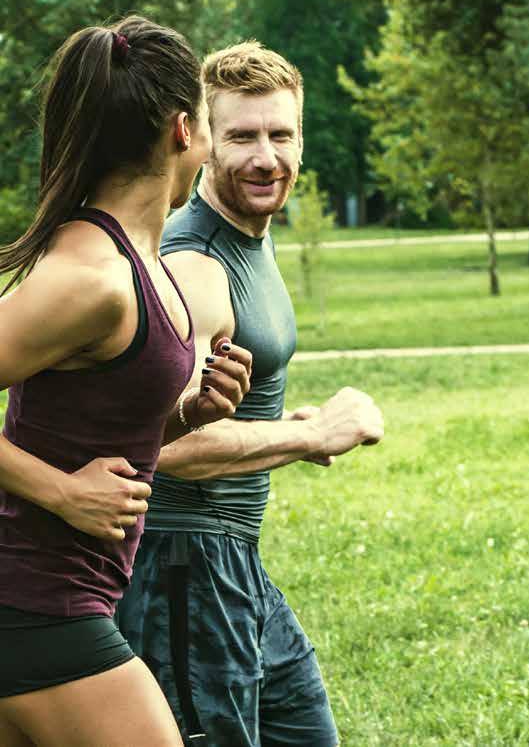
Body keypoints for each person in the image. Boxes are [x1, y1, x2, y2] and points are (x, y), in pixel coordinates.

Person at [116, 41, 384, 747]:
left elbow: (230, 400)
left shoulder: (251, 234)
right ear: (202, 141)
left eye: (280, 135)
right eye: (241, 136)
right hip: (182, 564)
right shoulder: (197, 261)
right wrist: (309, 437)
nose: (265, 157)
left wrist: (283, 422)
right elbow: (172, 443)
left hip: (234, 561)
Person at [0, 17, 252, 747]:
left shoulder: (145, 262)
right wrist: (62, 491)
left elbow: (95, 417)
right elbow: (69, 469)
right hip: (34, 604)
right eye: (209, 121)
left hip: (56, 601)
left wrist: (191, 411)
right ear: (183, 130)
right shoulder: (93, 278)